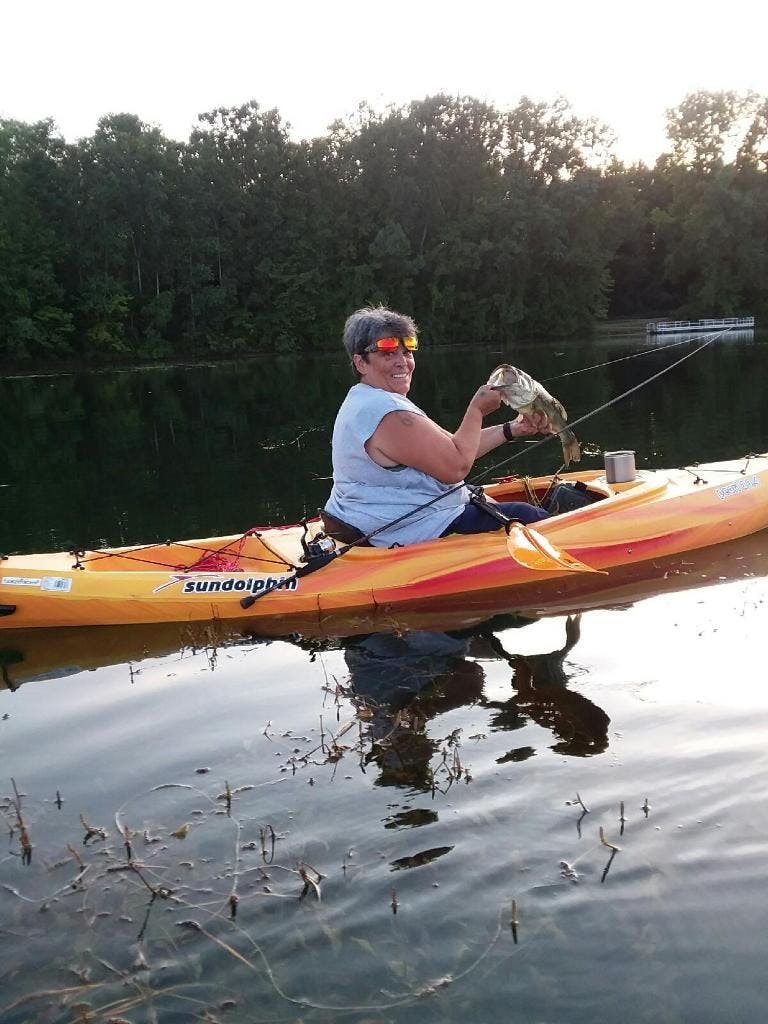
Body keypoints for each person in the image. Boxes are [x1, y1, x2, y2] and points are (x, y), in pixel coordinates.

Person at [323, 306, 551, 548]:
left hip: (376, 520)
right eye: (388, 354)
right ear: (361, 363)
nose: (402, 362)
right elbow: (456, 467)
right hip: (403, 531)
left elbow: (453, 447)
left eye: (407, 352)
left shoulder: (367, 399)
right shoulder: (388, 412)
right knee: (529, 517)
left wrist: (512, 429)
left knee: (505, 506)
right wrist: (477, 410)